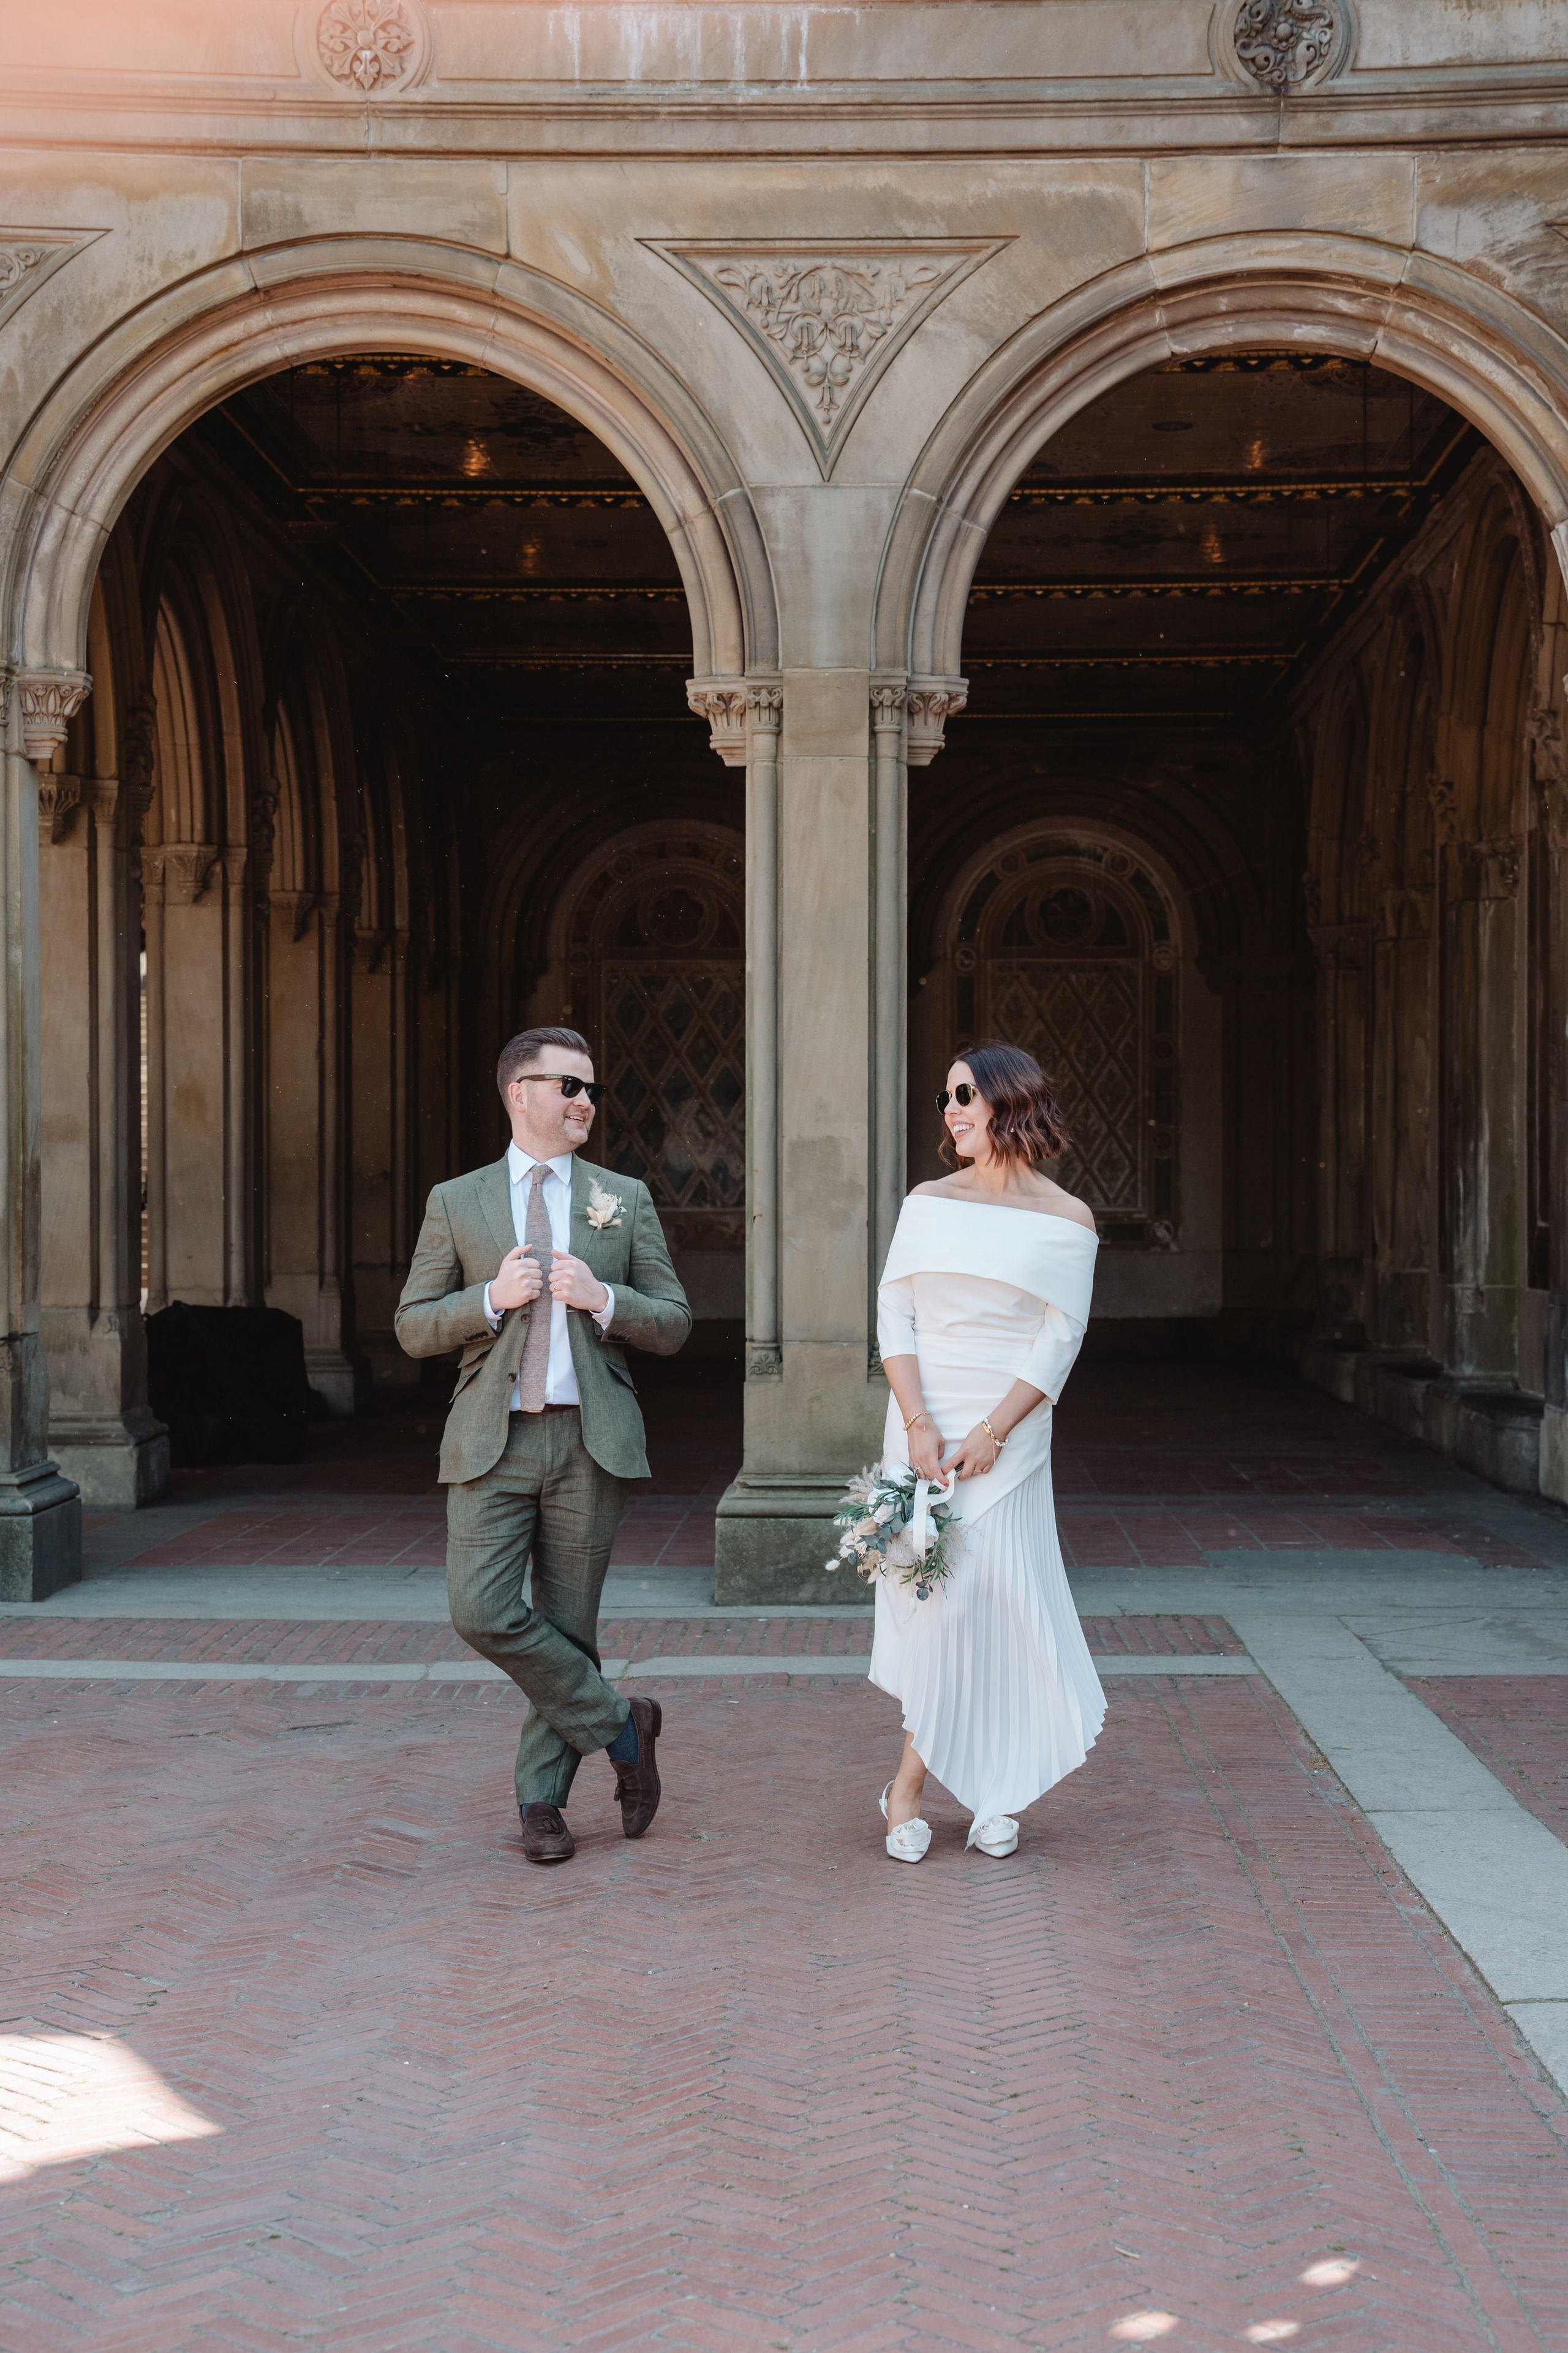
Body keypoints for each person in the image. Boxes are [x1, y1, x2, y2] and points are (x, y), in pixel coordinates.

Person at [395, 1025, 691, 1864]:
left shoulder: (621, 1197)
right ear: (517, 1092)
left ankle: (541, 1804)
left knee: (569, 1623)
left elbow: (674, 1321)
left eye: (591, 1089)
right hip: (492, 1438)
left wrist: (606, 1298)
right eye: (568, 1086)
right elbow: (414, 1324)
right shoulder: (458, 1201)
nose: (585, 1102)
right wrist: (487, 1297)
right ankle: (621, 1726)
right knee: (480, 1609)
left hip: (588, 1439)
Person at [870, 1040, 1103, 1864]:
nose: (951, 1110)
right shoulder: (927, 1201)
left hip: (1009, 1434)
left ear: (1010, 1101)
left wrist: (993, 1431)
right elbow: (894, 1313)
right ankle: (908, 1786)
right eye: (946, 1096)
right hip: (923, 1424)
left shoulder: (1069, 1220)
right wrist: (919, 1421)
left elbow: (1058, 1339)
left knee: (994, 1601)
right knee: (939, 1606)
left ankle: (993, 1789)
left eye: (965, 1093)